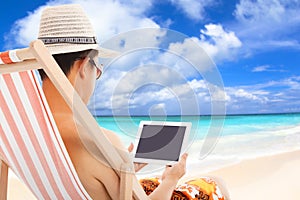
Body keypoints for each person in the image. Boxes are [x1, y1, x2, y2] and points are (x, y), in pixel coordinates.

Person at [37, 4, 188, 200]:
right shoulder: (97, 140)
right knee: (213, 183)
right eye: (97, 69)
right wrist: (171, 179)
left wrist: (123, 169)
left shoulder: (20, 129)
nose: (96, 76)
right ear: (83, 66)